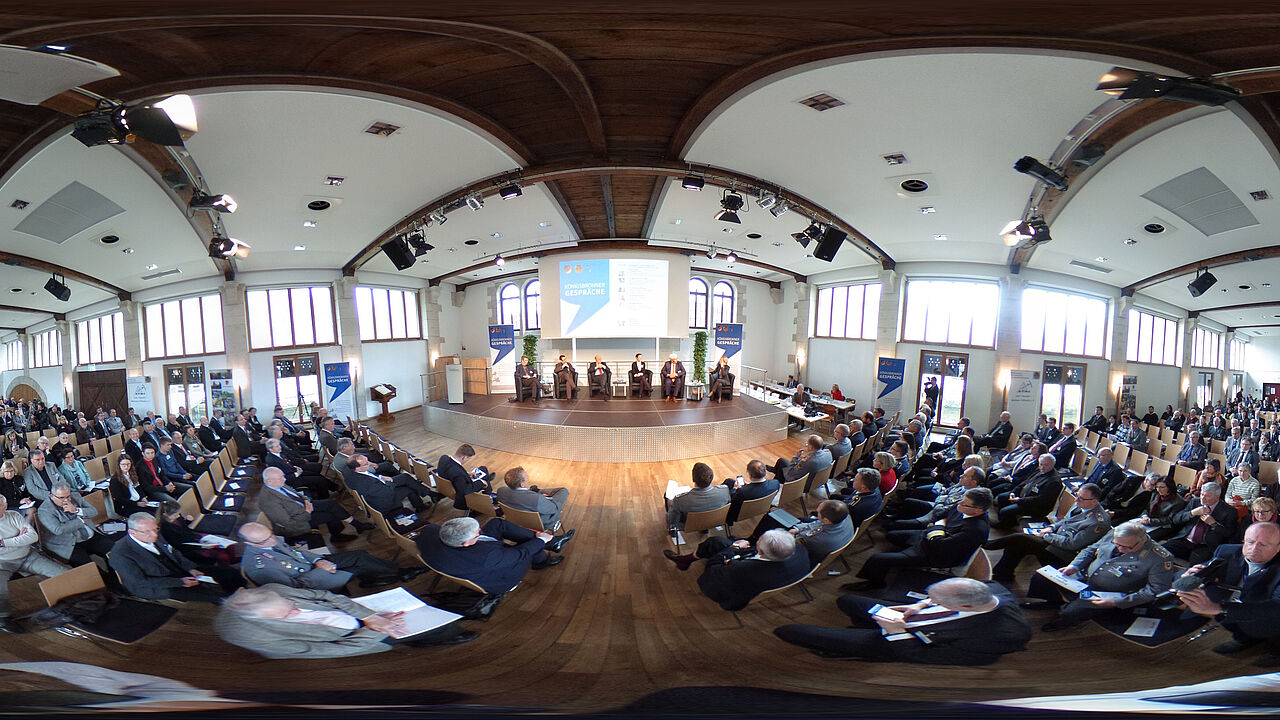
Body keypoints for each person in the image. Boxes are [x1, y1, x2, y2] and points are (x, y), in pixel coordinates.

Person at [773, 577, 1031, 664]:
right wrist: (919, 604)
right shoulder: (989, 587)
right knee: (848, 601)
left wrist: (894, 632)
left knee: (791, 631)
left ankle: (851, 647)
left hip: (902, 642)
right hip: (904, 618)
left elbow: (923, 656)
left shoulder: (1000, 636)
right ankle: (860, 628)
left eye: (937, 600)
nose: (932, 600)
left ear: (964, 606)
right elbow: (933, 601)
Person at [215, 584, 477, 658]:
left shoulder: (275, 591)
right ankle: (445, 635)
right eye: (287, 614)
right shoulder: (256, 636)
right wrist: (376, 628)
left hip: (361, 615)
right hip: (350, 638)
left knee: (420, 611)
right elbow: (330, 650)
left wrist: (368, 615)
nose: (295, 609)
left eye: (290, 604)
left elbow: (323, 595)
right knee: (433, 626)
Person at [1024, 522, 1176, 632]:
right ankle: (1052, 601)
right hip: (1084, 577)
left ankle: (1065, 621)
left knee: (1070, 612)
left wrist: (1117, 602)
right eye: (1117, 544)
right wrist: (1074, 566)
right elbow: (1090, 550)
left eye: (1125, 547)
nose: (1119, 549)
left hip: (1108, 593)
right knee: (1041, 578)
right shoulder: (1114, 532)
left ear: (1142, 541)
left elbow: (1154, 591)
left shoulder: (1160, 558)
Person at [846, 488, 993, 590]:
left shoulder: (976, 530)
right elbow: (941, 514)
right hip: (928, 538)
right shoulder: (964, 506)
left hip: (935, 554)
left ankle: (875, 583)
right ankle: (903, 560)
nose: (959, 504)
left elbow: (940, 545)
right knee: (892, 535)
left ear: (978, 510)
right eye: (961, 500)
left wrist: (937, 527)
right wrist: (939, 526)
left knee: (878, 559)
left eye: (964, 503)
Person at [1177, 522, 1280, 664]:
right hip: (1239, 601)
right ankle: (1245, 639)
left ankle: (1277, 654)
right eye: (1250, 542)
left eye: (1263, 545)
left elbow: (1275, 607)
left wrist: (1218, 608)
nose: (1254, 548)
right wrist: (1188, 576)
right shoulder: (1226, 551)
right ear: (1243, 540)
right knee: (1219, 602)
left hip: (1269, 609)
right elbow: (1207, 569)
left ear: (1278, 548)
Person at [238, 522, 422, 590]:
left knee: (359, 555)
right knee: (359, 564)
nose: (272, 541)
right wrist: (321, 570)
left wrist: (318, 560)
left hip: (313, 566)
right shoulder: (260, 567)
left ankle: (388, 573)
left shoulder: (269, 539)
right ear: (248, 544)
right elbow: (294, 588)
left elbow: (297, 552)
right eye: (264, 541)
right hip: (312, 582)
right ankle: (400, 573)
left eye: (270, 535)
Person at [987, 483, 1112, 582]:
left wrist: (1047, 535)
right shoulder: (1082, 504)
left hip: (1063, 552)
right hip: (1055, 540)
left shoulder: (1098, 522)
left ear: (1094, 502)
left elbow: (1072, 544)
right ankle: (1002, 573)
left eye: (1081, 498)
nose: (1076, 500)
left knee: (1020, 539)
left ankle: (988, 546)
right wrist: (1051, 528)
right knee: (1018, 544)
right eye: (1077, 495)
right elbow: (1065, 522)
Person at [416, 516, 574, 594]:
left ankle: (549, 544)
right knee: (528, 546)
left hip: (462, 556)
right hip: (502, 578)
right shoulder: (487, 557)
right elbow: (520, 553)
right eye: (478, 533)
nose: (480, 531)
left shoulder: (429, 532)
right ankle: (545, 551)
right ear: (466, 543)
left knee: (497, 523)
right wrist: (540, 540)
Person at [110, 513, 226, 603]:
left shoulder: (155, 534)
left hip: (176, 570)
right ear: (132, 532)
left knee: (226, 573)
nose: (154, 535)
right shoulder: (120, 554)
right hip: (157, 584)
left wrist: (191, 568)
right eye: (147, 532)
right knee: (213, 596)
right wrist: (180, 582)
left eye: (155, 529)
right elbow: (140, 581)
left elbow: (174, 553)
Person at [692, 529, 810, 611]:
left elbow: (712, 566)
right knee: (717, 542)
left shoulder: (740, 570)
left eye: (758, 543)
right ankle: (688, 558)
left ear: (760, 551)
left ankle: (689, 558)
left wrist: (735, 547)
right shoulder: (801, 551)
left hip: (734, 595)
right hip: (777, 579)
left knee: (716, 543)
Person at [0, 494, 69, 633]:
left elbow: (33, 536)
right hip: (3, 562)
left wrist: (4, 542)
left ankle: (69, 605)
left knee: (63, 573)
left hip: (28, 556)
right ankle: (3, 618)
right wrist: (19, 537)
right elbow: (25, 537)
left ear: (5, 507)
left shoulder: (13, 515)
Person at [258, 466, 371, 543]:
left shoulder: (278, 484)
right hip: (298, 521)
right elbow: (288, 523)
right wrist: (307, 511)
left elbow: (295, 494)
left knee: (331, 503)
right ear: (269, 481)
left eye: (283, 476)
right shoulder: (268, 500)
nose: (284, 479)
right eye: (281, 478)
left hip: (303, 506)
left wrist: (306, 500)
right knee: (331, 515)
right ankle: (337, 536)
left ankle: (357, 525)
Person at [37, 480, 114, 566]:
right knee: (92, 569)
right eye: (62, 498)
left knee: (114, 553)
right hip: (68, 544)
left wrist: (77, 510)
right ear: (52, 496)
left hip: (90, 536)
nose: (66, 500)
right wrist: (81, 521)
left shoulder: (75, 496)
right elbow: (58, 529)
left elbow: (94, 511)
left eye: (68, 496)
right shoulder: (44, 510)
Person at [1162, 481, 1239, 564]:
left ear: (1217, 497)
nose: (1203, 498)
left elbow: (1230, 534)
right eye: (1202, 494)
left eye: (1207, 496)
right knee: (1160, 552)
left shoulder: (1229, 511)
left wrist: (1214, 524)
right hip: (1185, 540)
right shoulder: (1195, 502)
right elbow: (1176, 519)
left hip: (1206, 545)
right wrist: (1192, 513)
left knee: (1195, 566)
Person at [343, 453, 433, 515]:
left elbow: (370, 476)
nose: (369, 464)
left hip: (377, 488)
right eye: (366, 464)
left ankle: (426, 497)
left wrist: (381, 477)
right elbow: (386, 492)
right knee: (408, 487)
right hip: (384, 501)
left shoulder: (350, 470)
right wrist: (390, 481)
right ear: (357, 468)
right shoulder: (365, 482)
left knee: (405, 478)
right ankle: (424, 501)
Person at [994, 453, 1063, 529]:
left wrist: (1019, 500)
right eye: (1041, 464)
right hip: (1025, 496)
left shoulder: (1054, 481)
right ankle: (1009, 521)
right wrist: (1014, 492)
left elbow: (1041, 500)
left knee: (1004, 511)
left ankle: (1005, 525)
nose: (1042, 467)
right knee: (1001, 497)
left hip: (1035, 506)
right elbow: (1025, 482)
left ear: (1052, 465)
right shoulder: (1039, 470)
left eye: (1046, 465)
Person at [495, 466, 572, 530]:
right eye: (526, 476)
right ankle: (539, 491)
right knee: (563, 491)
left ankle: (538, 491)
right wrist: (547, 499)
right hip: (541, 523)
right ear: (522, 485)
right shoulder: (537, 499)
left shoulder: (501, 491)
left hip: (514, 520)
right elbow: (554, 508)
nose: (528, 477)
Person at [791, 499, 855, 567]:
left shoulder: (816, 538)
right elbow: (820, 523)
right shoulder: (844, 516)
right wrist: (797, 528)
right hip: (838, 543)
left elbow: (794, 543)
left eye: (818, 512)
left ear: (826, 520)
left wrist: (791, 534)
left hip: (812, 556)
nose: (816, 512)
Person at [667, 462, 730, 530]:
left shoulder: (680, 500)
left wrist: (671, 503)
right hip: (715, 521)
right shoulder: (724, 490)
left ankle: (672, 530)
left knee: (668, 497)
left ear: (693, 479)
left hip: (689, 526)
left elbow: (672, 521)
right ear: (711, 477)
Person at [435, 443, 495, 510]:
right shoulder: (458, 473)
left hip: (449, 484)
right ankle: (488, 496)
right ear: (464, 457)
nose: (467, 460)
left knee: (483, 468)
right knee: (485, 480)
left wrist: (467, 474)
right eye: (468, 459)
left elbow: (450, 471)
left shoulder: (444, 458)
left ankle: (488, 491)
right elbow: (464, 490)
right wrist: (481, 482)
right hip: (461, 493)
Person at [1138, 475, 1187, 541]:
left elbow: (1170, 519)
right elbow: (1147, 508)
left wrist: (1151, 521)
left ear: (1169, 487)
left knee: (1144, 538)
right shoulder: (1156, 494)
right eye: (1157, 487)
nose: (1158, 490)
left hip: (1164, 525)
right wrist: (1145, 516)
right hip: (1149, 520)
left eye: (1162, 487)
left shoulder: (1178, 501)